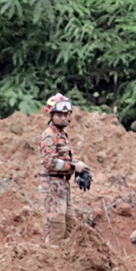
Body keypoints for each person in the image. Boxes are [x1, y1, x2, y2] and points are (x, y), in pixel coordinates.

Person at [37, 94, 93, 239]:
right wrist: (73, 166)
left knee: (70, 228)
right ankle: (53, 258)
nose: (63, 118)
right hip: (53, 185)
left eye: (65, 114)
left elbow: (62, 158)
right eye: (59, 114)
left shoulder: (62, 135)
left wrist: (78, 170)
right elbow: (50, 162)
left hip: (63, 185)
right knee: (57, 228)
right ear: (51, 115)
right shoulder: (49, 135)